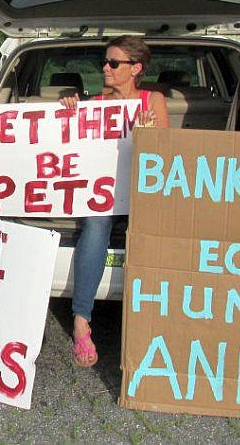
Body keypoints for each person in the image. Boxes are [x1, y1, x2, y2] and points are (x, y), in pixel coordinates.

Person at [60, 35, 169, 367]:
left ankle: (158, 327)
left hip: (143, 192)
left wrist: (146, 135)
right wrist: (68, 108)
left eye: (113, 63)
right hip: (104, 194)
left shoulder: (154, 101)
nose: (105, 68)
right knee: (95, 223)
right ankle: (81, 322)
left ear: (136, 69)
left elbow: (163, 157)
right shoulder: (94, 102)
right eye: (104, 62)